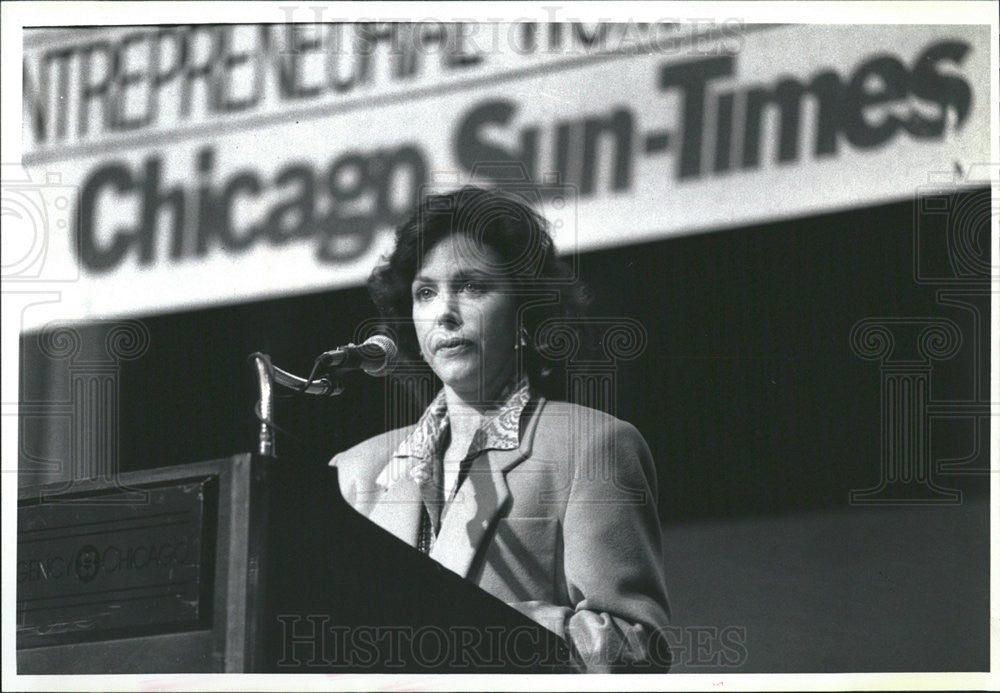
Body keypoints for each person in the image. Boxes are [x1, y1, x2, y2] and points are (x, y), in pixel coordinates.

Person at [330, 185, 671, 672]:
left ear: (525, 312)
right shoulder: (359, 472)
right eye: (425, 292)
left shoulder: (591, 448)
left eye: (472, 286)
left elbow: (636, 648)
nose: (444, 311)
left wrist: (488, 629)